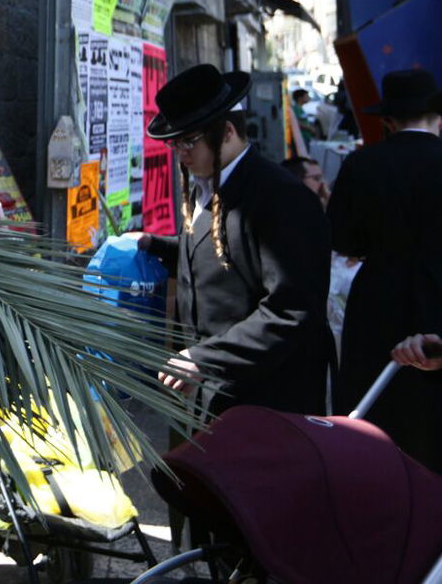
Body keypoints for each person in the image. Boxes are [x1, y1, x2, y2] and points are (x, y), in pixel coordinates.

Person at [138, 64, 332, 417]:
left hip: (265, 402)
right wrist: (154, 245)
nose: (180, 152)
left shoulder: (281, 197)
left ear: (227, 132)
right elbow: (221, 259)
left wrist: (204, 359)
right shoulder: (204, 185)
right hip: (208, 397)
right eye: (175, 143)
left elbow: (293, 309)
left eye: (189, 141)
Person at [326, 67, 442, 471]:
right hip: (437, 309)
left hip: (377, 305)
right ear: (437, 117)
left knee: (377, 427)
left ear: (389, 121)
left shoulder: (362, 165)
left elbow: (341, 239)